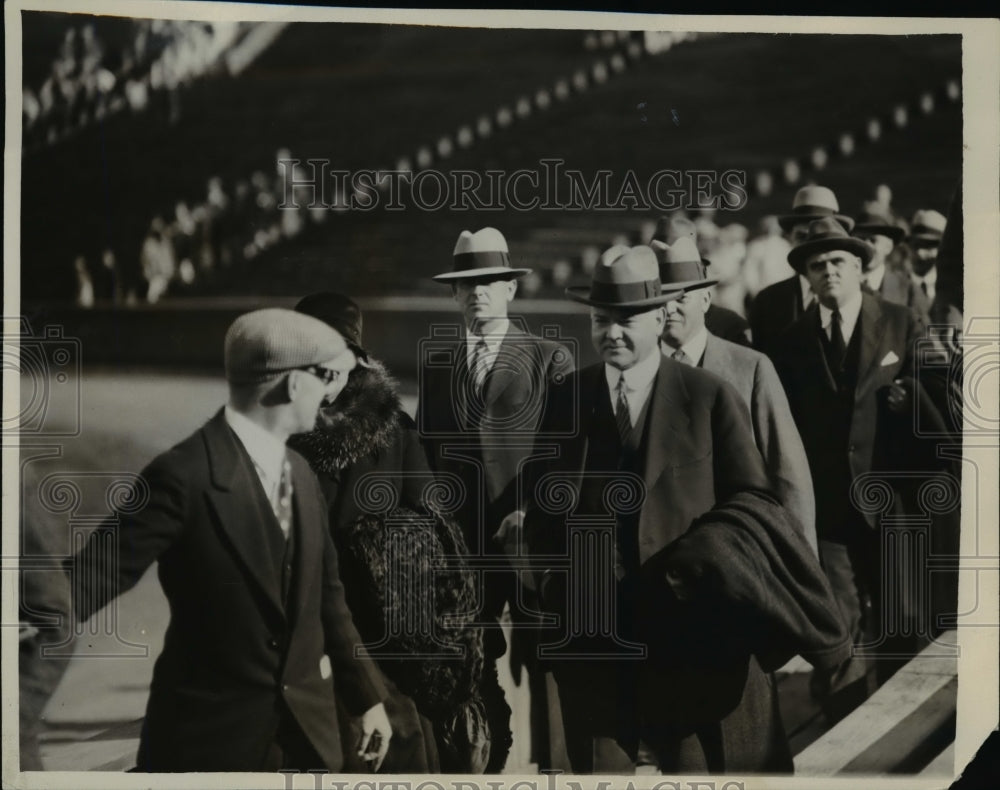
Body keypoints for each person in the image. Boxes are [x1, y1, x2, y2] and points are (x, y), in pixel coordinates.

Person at [511, 245, 850, 773]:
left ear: (657, 316)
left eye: (626, 321)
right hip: (598, 649)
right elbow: (542, 505)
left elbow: (755, 507)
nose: (611, 334)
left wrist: (696, 566)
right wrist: (559, 582)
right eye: (601, 321)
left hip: (695, 646)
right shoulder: (567, 397)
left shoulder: (708, 396)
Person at [66, 308, 392, 772]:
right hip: (207, 745)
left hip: (307, 740)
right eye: (323, 375)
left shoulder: (300, 473)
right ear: (291, 384)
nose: (329, 392)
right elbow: (91, 577)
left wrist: (365, 698)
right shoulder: (181, 475)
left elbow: (327, 599)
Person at [289, 292, 490, 773]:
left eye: (333, 353)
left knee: (407, 750)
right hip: (308, 635)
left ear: (356, 358)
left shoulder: (396, 431)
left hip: (387, 641)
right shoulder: (276, 434)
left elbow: (437, 544)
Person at [769, 218, 949, 720]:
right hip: (827, 511)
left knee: (897, 617)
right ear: (806, 275)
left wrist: (907, 399)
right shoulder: (790, 343)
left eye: (837, 262)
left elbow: (931, 403)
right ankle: (844, 724)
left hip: (889, 501)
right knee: (838, 622)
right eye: (817, 265)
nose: (828, 272)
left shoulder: (899, 321)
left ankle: (897, 723)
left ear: (858, 267)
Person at [418, 227, 574, 772]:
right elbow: (427, 460)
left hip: (530, 538)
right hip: (463, 551)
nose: (477, 293)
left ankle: (558, 770)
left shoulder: (549, 359)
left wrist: (535, 515)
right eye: (466, 285)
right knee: (471, 663)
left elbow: (563, 456)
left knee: (547, 657)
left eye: (489, 282)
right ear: (453, 295)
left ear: (511, 289)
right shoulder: (439, 368)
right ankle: (483, 762)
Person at [652, 236, 817, 554]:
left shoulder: (750, 367)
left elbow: (788, 474)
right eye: (659, 297)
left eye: (681, 296)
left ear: (705, 299)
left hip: (734, 553)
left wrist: (803, 562)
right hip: (653, 558)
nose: (669, 308)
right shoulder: (638, 371)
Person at [750, 185, 854, 351]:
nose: (809, 247)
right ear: (789, 239)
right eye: (801, 237)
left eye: (819, 238)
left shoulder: (861, 298)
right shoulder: (767, 302)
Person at [852, 202, 928, 319]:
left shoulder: (908, 290)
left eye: (873, 240)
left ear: (888, 247)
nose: (866, 246)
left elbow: (924, 334)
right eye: (861, 239)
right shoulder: (841, 285)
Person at [906, 209, 947, 305]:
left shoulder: (949, 288)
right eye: (915, 245)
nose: (919, 252)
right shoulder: (896, 286)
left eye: (927, 246)